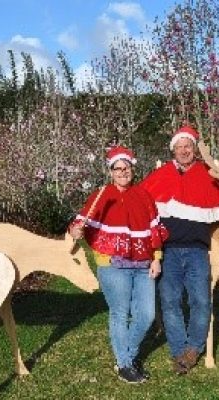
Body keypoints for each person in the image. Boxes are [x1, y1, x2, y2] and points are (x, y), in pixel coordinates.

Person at [140, 124, 219, 374]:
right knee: (170, 301)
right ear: (173, 149)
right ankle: (180, 351)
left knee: (200, 300)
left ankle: (194, 347)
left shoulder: (207, 173)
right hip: (167, 251)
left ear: (194, 149)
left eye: (188, 146)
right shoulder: (161, 174)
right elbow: (138, 198)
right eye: (180, 146)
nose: (184, 150)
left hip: (197, 250)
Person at [69, 145, 168, 383]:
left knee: (146, 315)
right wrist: (75, 231)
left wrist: (157, 258)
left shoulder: (143, 196)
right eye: (118, 168)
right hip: (113, 265)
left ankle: (128, 355)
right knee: (120, 313)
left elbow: (154, 231)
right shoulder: (101, 195)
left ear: (133, 169)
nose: (123, 172)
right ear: (111, 171)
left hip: (143, 264)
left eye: (127, 168)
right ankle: (124, 364)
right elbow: (79, 224)